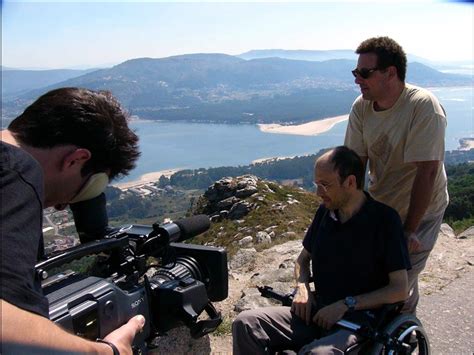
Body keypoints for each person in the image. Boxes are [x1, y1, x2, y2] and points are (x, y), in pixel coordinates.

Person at [1, 87, 143, 354]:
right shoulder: (16, 173)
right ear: (76, 159)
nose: (63, 204)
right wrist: (107, 351)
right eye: (89, 187)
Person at [232, 146, 411, 354]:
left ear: (350, 182)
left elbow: (399, 289)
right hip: (316, 313)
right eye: (317, 184)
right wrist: (302, 286)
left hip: (357, 323)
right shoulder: (326, 213)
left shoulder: (384, 221)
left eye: (325, 185)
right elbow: (302, 260)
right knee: (245, 324)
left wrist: (346, 305)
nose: (318, 193)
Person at [344, 36, 448, 314]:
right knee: (383, 279)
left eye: (364, 73)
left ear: (391, 73)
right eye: (356, 72)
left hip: (422, 210)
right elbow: (355, 165)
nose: (357, 79)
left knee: (396, 282)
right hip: (384, 206)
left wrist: (409, 230)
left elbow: (427, 173)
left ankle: (403, 328)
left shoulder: (423, 107)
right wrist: (349, 214)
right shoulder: (362, 107)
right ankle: (408, 328)